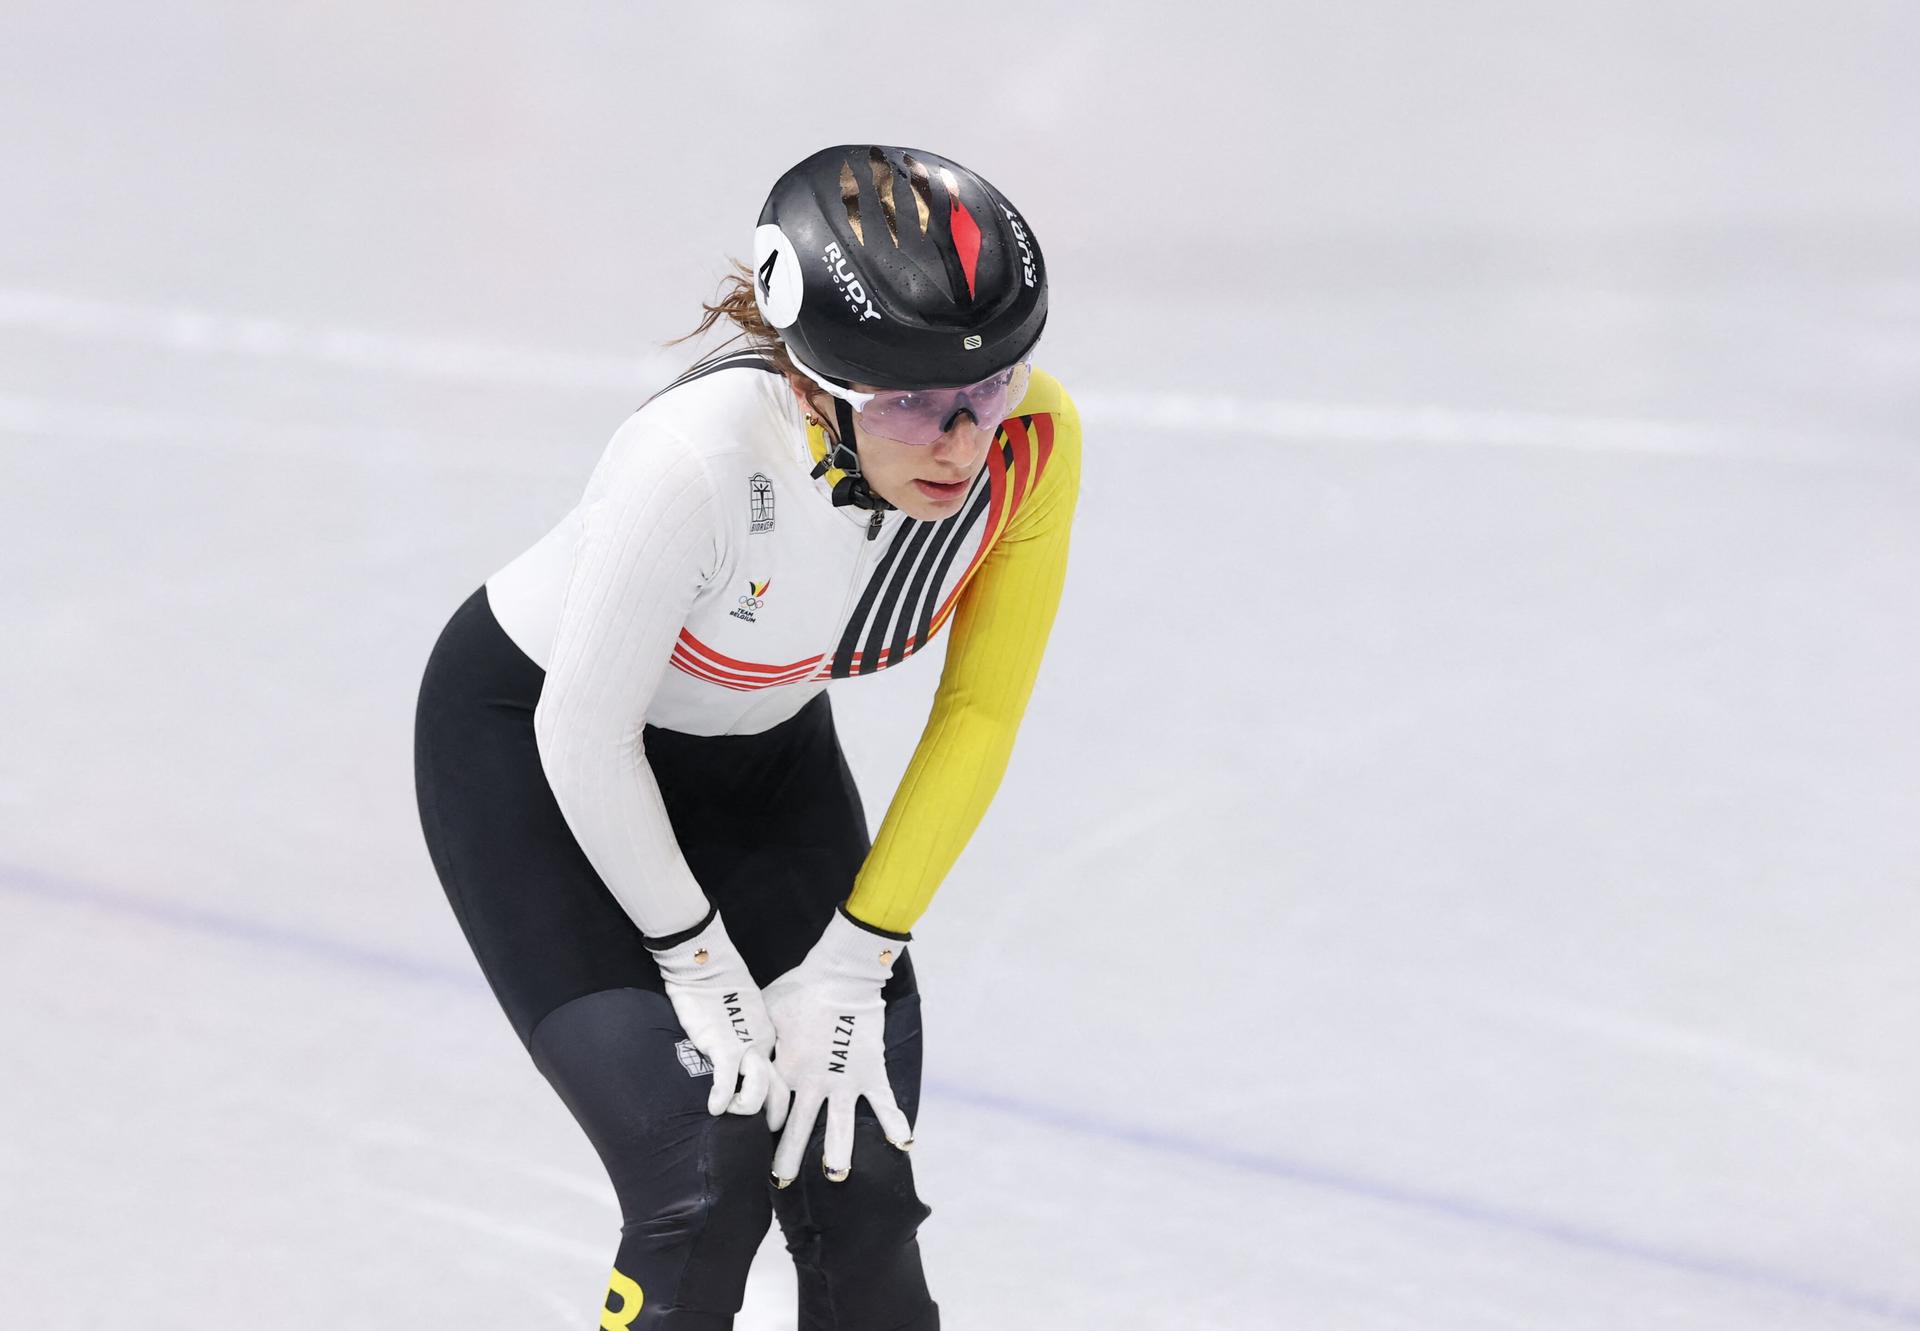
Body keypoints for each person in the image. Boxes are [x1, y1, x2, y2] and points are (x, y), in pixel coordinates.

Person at [413, 143, 1080, 1329]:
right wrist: (696, 954)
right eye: (914, 404)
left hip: (761, 761)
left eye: (990, 390)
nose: (963, 440)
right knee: (703, 1177)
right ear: (817, 384)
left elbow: (981, 710)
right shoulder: (701, 459)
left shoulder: (1033, 444)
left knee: (856, 1179)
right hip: (539, 750)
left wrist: (856, 956)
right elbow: (583, 730)